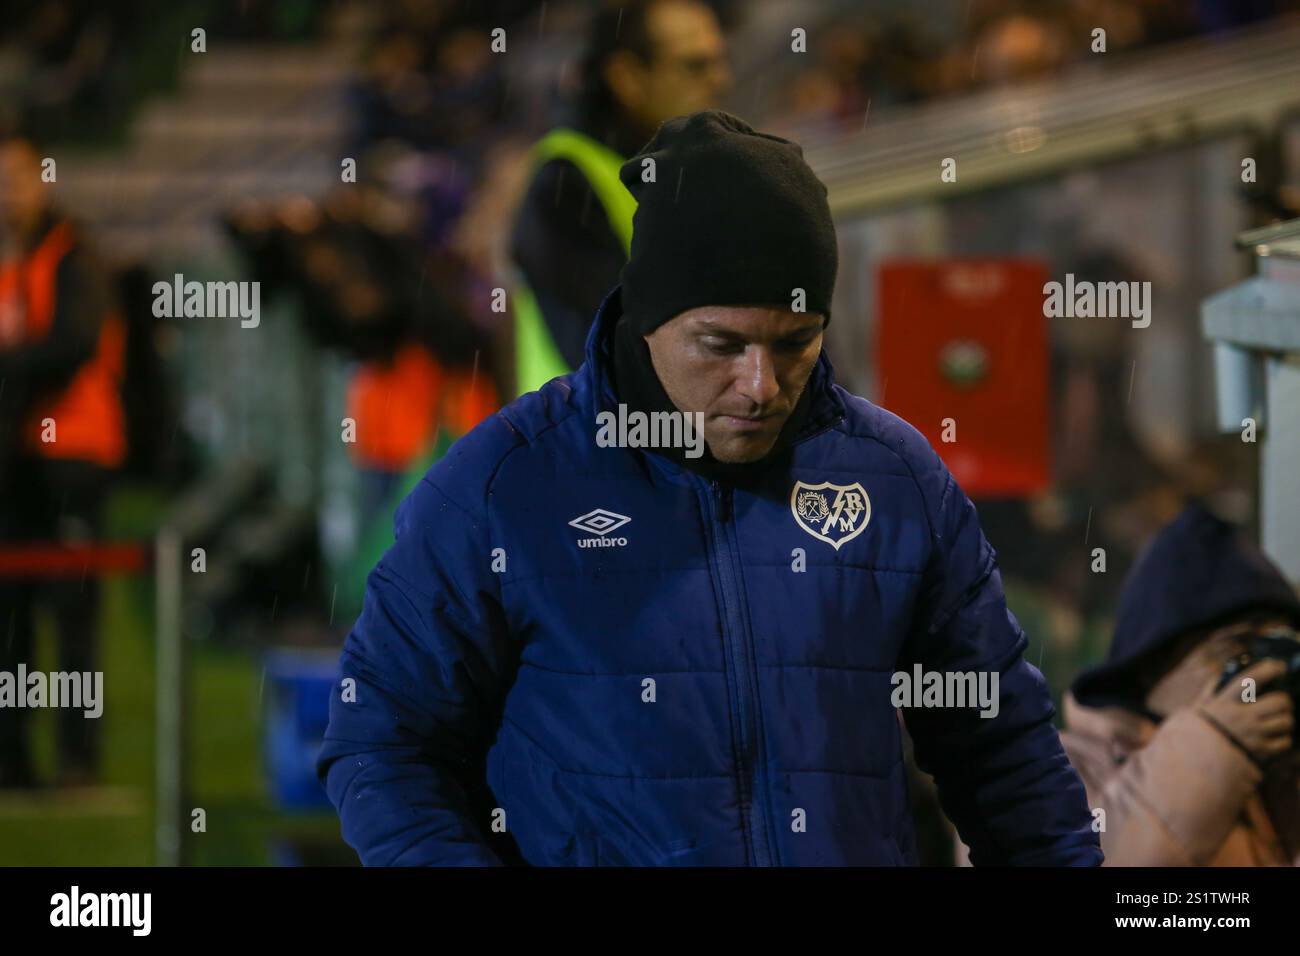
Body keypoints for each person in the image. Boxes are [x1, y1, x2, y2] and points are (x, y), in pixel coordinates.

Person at [318, 110, 1101, 866]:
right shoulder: (502, 486)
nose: (761, 384)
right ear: (648, 319)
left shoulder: (895, 480)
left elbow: (1001, 750)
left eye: (795, 343)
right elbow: (381, 745)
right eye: (721, 344)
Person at [507, 0, 731, 395]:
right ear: (626, 77)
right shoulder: (564, 185)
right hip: (594, 449)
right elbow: (614, 349)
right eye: (694, 66)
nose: (720, 79)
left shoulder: (692, 166)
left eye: (718, 61)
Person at [1061, 501, 1300, 865]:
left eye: (1276, 650)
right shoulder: (1054, 769)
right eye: (1237, 650)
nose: (1262, 675)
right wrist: (1214, 744)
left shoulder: (1269, 766)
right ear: (1153, 665)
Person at [0, 133, 125, 788]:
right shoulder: (13, 258)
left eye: (17, 177)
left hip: (72, 456)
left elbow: (73, 342)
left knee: (73, 614)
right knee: (11, 613)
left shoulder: (74, 253)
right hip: (17, 462)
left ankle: (79, 765)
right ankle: (13, 760)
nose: (7, 192)